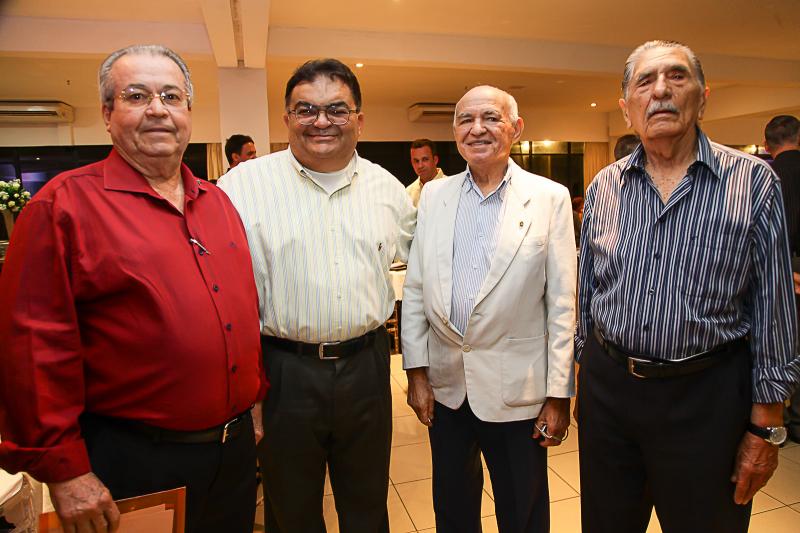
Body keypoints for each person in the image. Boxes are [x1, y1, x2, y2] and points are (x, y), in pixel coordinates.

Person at [0, 45, 266, 533]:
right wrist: (66, 470)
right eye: (137, 96)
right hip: (134, 462)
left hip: (232, 454)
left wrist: (253, 402)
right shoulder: (62, 207)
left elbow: (241, 313)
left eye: (172, 96)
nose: (158, 109)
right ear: (108, 113)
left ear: (188, 111)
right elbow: (32, 349)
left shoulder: (218, 203)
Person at [576, 40, 799, 533]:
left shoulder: (754, 183)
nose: (660, 91)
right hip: (609, 392)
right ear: (626, 108)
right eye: (645, 81)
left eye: (676, 76)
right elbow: (587, 292)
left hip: (708, 397)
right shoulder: (604, 186)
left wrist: (767, 424)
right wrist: (583, 377)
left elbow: (774, 309)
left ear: (703, 96)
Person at [217, 58, 415, 532]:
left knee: (367, 504)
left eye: (336, 109)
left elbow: (426, 275)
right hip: (282, 372)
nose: (321, 121)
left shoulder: (388, 190)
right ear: (286, 118)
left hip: (367, 368)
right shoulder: (241, 187)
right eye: (306, 109)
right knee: (292, 509)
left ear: (359, 120)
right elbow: (220, 293)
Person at [402, 85, 576, 533]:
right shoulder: (434, 197)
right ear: (454, 132)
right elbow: (416, 288)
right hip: (447, 388)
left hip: (517, 391)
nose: (477, 129)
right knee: (453, 509)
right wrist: (416, 372)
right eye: (465, 120)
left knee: (522, 512)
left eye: (491, 118)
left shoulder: (549, 198)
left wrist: (559, 395)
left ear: (516, 129)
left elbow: (562, 305)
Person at [764, 114, 800, 443]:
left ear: (766, 144)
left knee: (782, 340)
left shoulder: (766, 177)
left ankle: (787, 417)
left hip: (784, 268)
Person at [406, 138, 445, 207]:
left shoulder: (452, 187)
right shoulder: (408, 193)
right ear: (412, 163)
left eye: (425, 159)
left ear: (435, 160)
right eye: (416, 161)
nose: (420, 165)